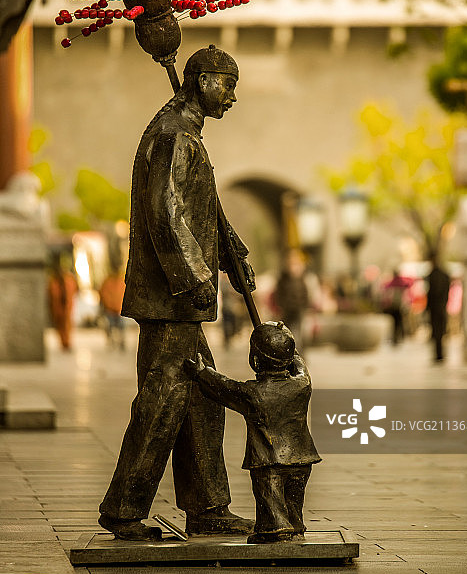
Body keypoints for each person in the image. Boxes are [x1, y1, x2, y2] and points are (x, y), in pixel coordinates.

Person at [99, 45, 255, 541]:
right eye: (228, 84)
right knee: (162, 401)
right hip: (171, 301)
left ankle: (207, 506)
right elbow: (165, 214)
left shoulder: (185, 135)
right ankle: (124, 509)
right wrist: (194, 277)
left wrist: (231, 256)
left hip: (177, 302)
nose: (232, 97)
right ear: (202, 80)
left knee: (202, 398)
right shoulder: (172, 136)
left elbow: (202, 213)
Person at [184, 322, 321, 543]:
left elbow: (224, 388)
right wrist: (287, 345)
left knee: (271, 498)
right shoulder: (302, 384)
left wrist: (201, 373)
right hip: (302, 459)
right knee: (294, 499)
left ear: (255, 360)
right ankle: (295, 527)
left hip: (269, 461)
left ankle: (274, 530)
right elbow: (299, 364)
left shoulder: (253, 393)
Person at [272, 249, 309, 352]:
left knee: (298, 333)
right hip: (287, 309)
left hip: (298, 309)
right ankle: (288, 352)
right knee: (287, 332)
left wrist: (305, 305)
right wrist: (281, 306)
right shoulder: (283, 277)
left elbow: (305, 293)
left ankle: (298, 352)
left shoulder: (301, 277)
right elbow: (279, 293)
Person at [47, 255, 78, 350]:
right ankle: (64, 342)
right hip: (59, 308)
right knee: (61, 326)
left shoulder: (69, 280)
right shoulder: (54, 282)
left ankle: (66, 342)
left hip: (66, 308)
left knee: (66, 325)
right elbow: (51, 295)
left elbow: (73, 291)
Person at [425, 258, 451, 362]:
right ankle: (440, 353)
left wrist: (428, 307)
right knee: (441, 331)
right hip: (441, 306)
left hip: (435, 308)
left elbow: (431, 293)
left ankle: (439, 353)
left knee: (437, 331)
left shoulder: (433, 275)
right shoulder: (444, 275)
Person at [381, 270, 413, 345]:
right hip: (400, 306)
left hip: (394, 306)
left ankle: (396, 337)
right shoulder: (402, 282)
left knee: (395, 322)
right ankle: (400, 336)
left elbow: (386, 290)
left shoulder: (392, 283)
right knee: (400, 322)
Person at [99, 267, 126, 349]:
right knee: (110, 326)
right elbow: (103, 294)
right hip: (111, 309)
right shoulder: (108, 282)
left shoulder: (121, 281)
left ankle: (120, 341)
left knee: (120, 326)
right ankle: (112, 341)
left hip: (118, 309)